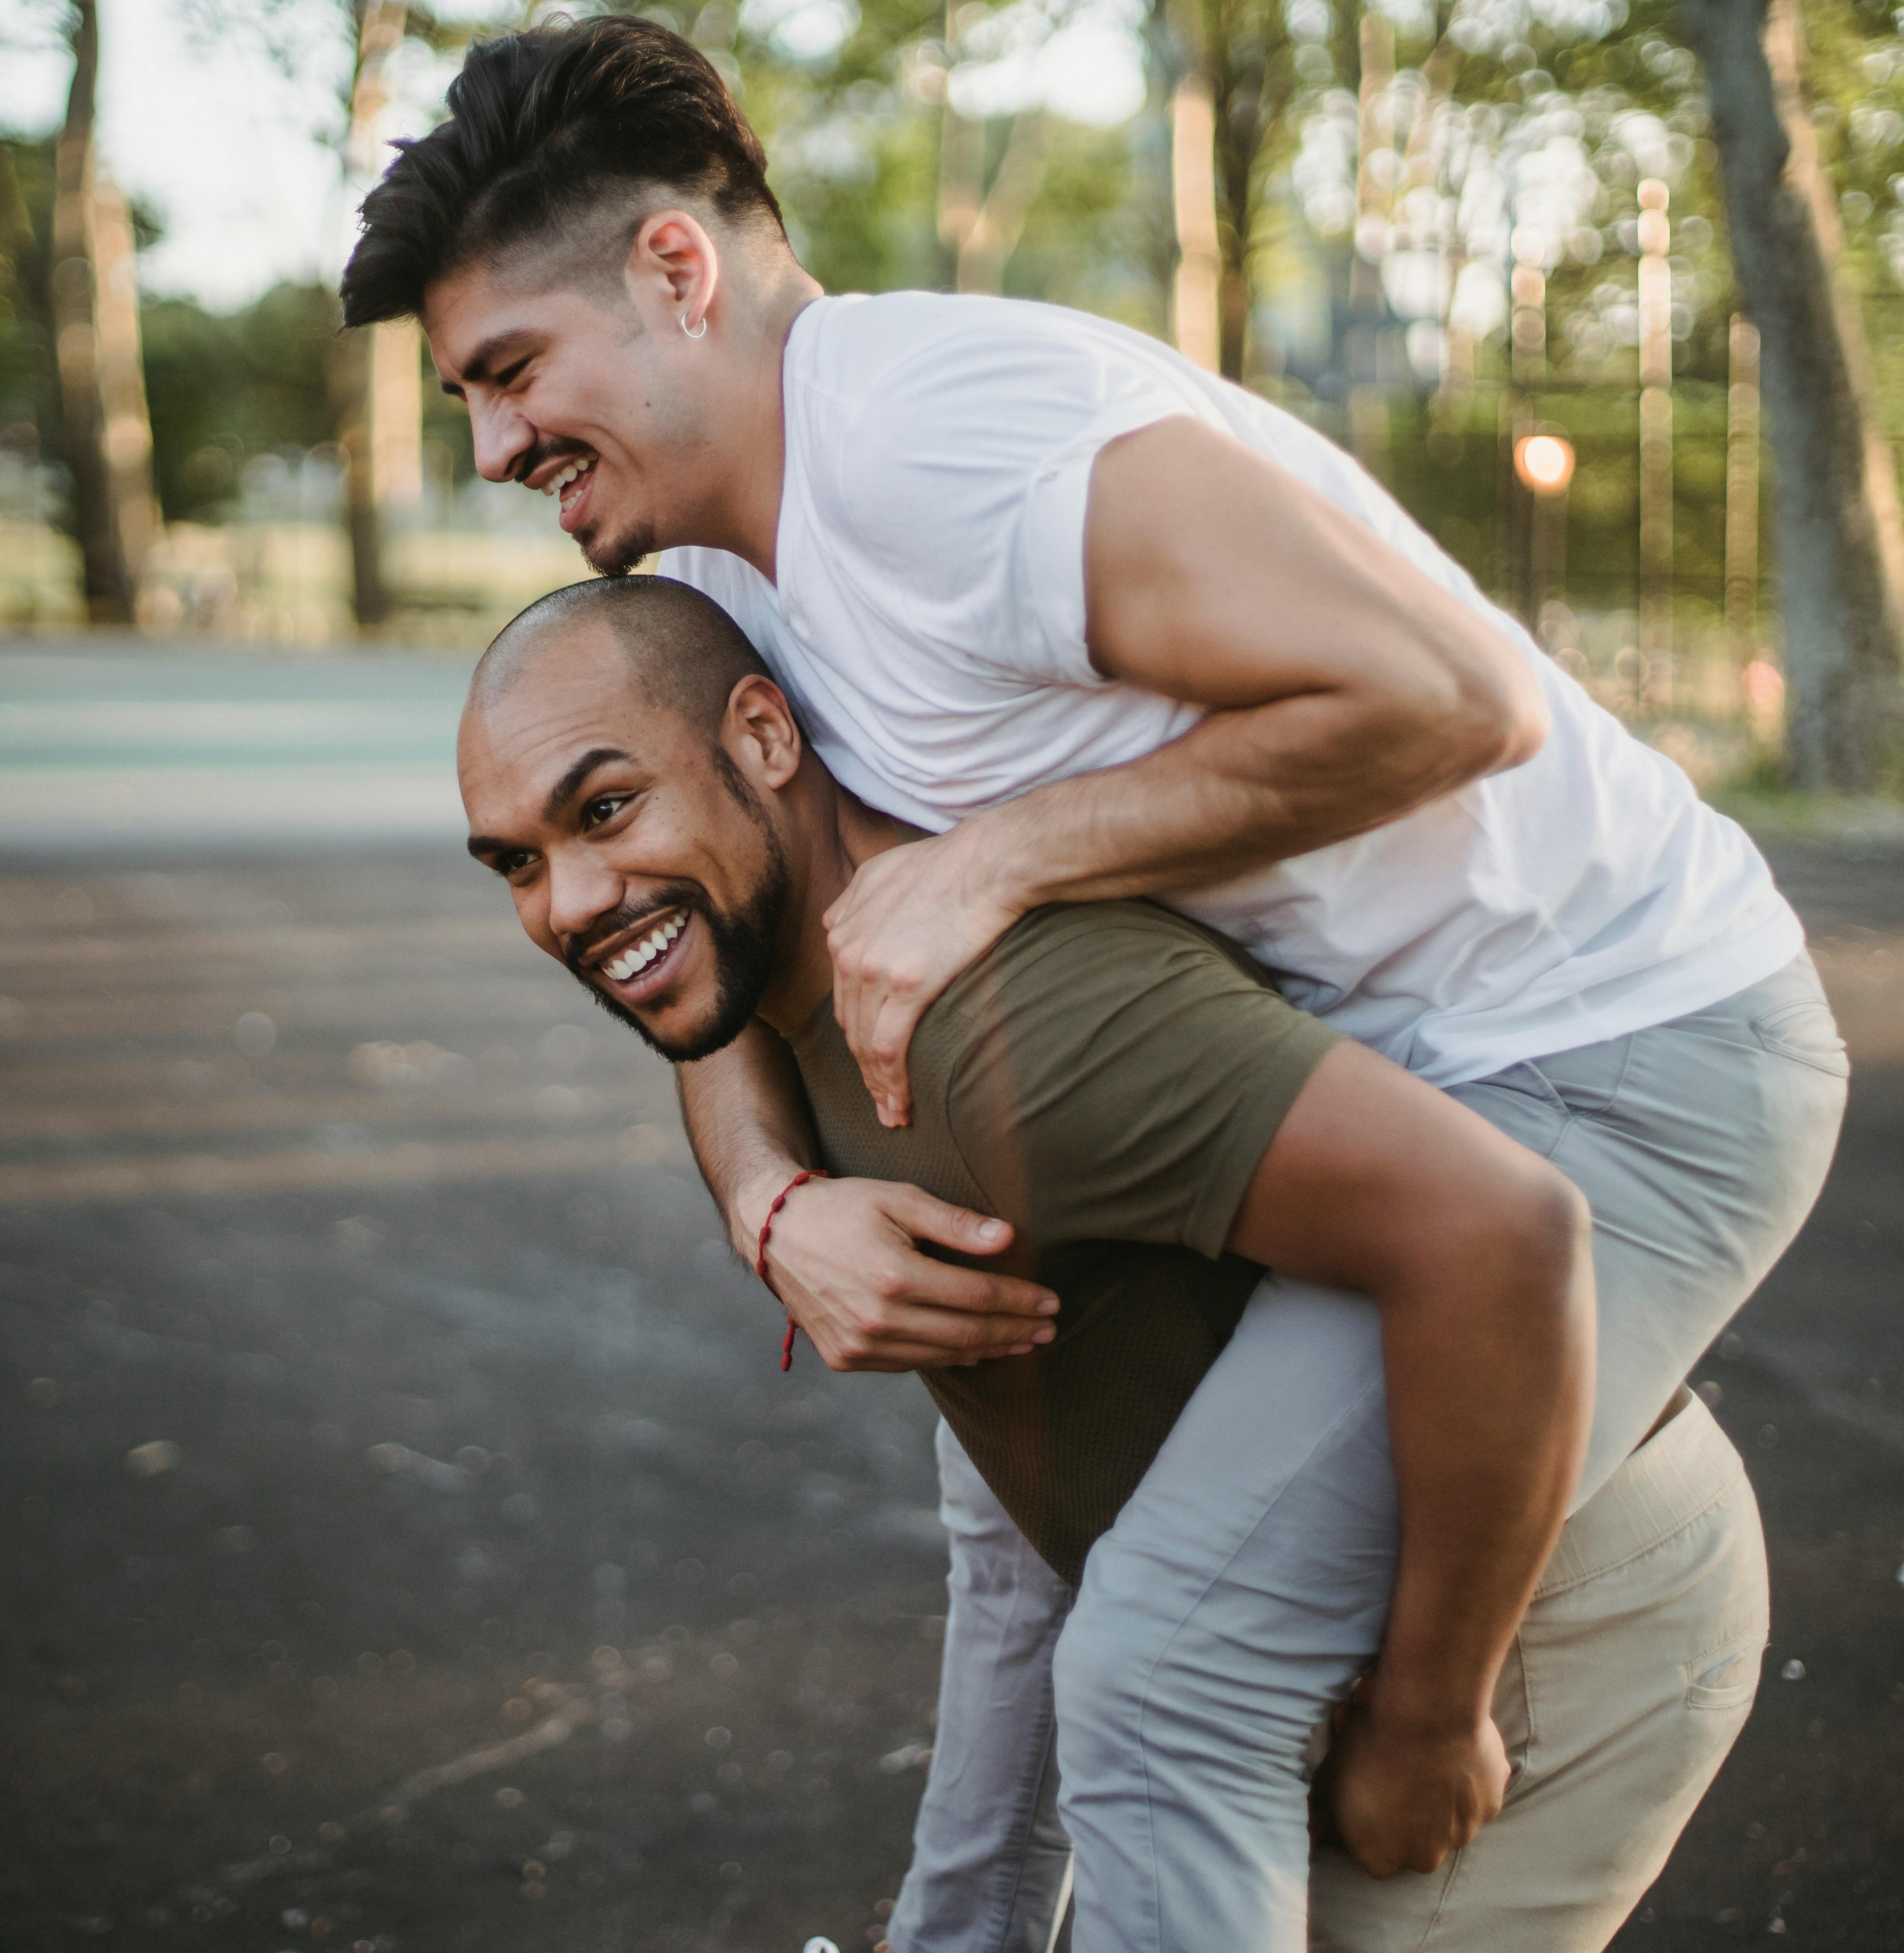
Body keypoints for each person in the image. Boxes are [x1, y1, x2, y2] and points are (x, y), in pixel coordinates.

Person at [349, 15, 1849, 1947]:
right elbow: (705, 928)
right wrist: (772, 1199)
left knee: (1170, 1672)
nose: (489, 448)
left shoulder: (942, 435)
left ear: (674, 272)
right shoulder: (725, 579)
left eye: (509, 373)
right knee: (1032, 1485)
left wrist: (1427, 1710)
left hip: (1624, 1048)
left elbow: (1448, 699)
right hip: (1385, 1055)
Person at [454, 577, 1774, 1953]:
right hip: (1290, 1643)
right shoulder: (770, 970)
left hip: (1546, 1611)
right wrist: (768, 1204)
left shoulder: (1003, 1033)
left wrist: (1433, 1719)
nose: (571, 904)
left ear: (770, 740)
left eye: (604, 812)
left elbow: (1505, 1233)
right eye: (518, 864)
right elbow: (1018, 1565)